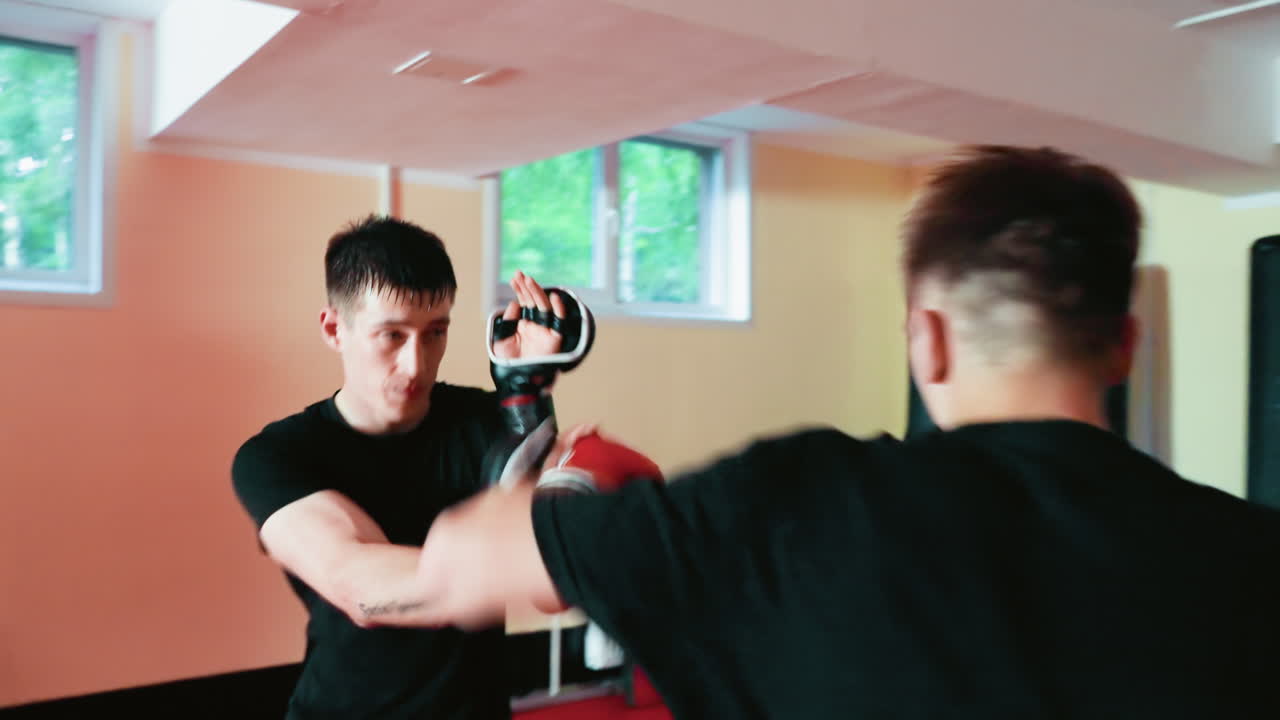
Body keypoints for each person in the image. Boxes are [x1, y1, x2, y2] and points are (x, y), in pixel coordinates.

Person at [410, 146, 1280, 718]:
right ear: (1124, 346)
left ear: (925, 338)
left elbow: (467, 558)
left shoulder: (802, 502)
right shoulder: (1251, 560)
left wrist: (528, 396)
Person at [231, 215, 579, 719]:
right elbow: (365, 592)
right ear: (334, 328)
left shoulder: (491, 422)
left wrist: (529, 398)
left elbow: (552, 597)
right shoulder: (278, 455)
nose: (417, 364)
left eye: (435, 332)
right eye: (391, 335)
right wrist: (573, 545)